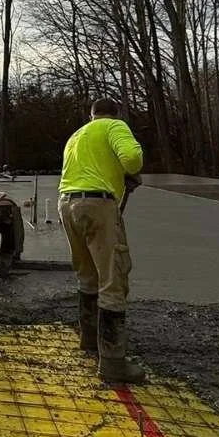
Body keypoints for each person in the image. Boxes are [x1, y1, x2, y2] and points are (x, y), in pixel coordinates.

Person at [58, 98, 145, 384]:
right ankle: (112, 362)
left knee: (88, 275)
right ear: (115, 114)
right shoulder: (114, 127)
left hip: (67, 204)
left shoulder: (77, 135)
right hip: (97, 205)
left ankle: (89, 340)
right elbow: (132, 159)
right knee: (112, 278)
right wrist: (128, 172)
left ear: (91, 114)